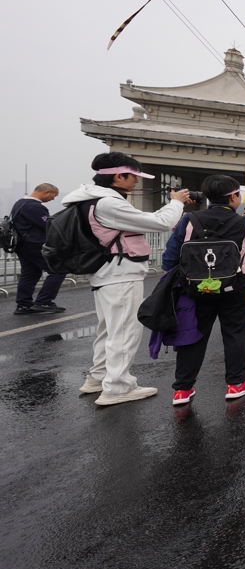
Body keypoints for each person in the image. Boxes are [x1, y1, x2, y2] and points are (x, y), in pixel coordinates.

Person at [65, 153, 188, 405]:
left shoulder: (89, 200)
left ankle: (98, 378)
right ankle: (118, 387)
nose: (135, 183)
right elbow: (162, 222)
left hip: (106, 272)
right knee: (124, 331)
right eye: (133, 177)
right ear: (118, 176)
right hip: (120, 272)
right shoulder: (108, 203)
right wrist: (175, 202)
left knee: (108, 329)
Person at [161, 175, 245, 405]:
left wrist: (172, 282)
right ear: (234, 197)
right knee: (235, 334)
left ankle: (182, 390)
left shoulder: (189, 219)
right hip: (237, 287)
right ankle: (236, 384)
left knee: (194, 335)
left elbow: (170, 255)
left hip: (196, 288)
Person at [10, 183, 67, 315]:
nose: (52, 199)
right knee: (58, 270)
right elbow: (48, 226)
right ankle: (44, 302)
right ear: (46, 192)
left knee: (30, 274)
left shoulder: (19, 203)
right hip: (35, 244)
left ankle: (23, 305)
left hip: (22, 245)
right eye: (53, 196)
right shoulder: (35, 207)